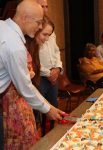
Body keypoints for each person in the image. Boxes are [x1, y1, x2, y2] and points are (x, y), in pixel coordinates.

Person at [0, 1, 64, 149]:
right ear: (24, 18)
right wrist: (49, 109)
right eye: (38, 22)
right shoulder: (15, 45)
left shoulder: (2, 26)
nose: (40, 26)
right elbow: (24, 87)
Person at [36, 0, 63, 135]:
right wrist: (48, 73)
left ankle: (52, 135)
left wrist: (58, 68)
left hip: (54, 75)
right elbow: (32, 58)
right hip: (40, 77)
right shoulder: (33, 30)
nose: (45, 9)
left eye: (47, 6)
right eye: (42, 6)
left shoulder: (50, 27)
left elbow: (56, 51)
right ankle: (41, 138)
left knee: (54, 107)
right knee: (39, 110)